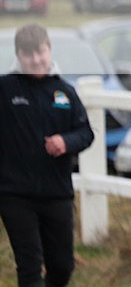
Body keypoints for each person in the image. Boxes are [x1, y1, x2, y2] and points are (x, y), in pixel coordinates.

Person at [0, 24, 95, 287]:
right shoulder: (6, 89)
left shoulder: (64, 91)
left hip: (57, 193)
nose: (36, 60)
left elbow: (86, 133)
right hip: (15, 195)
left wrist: (65, 142)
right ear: (18, 55)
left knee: (62, 266)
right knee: (29, 266)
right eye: (28, 54)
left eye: (40, 53)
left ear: (49, 50)